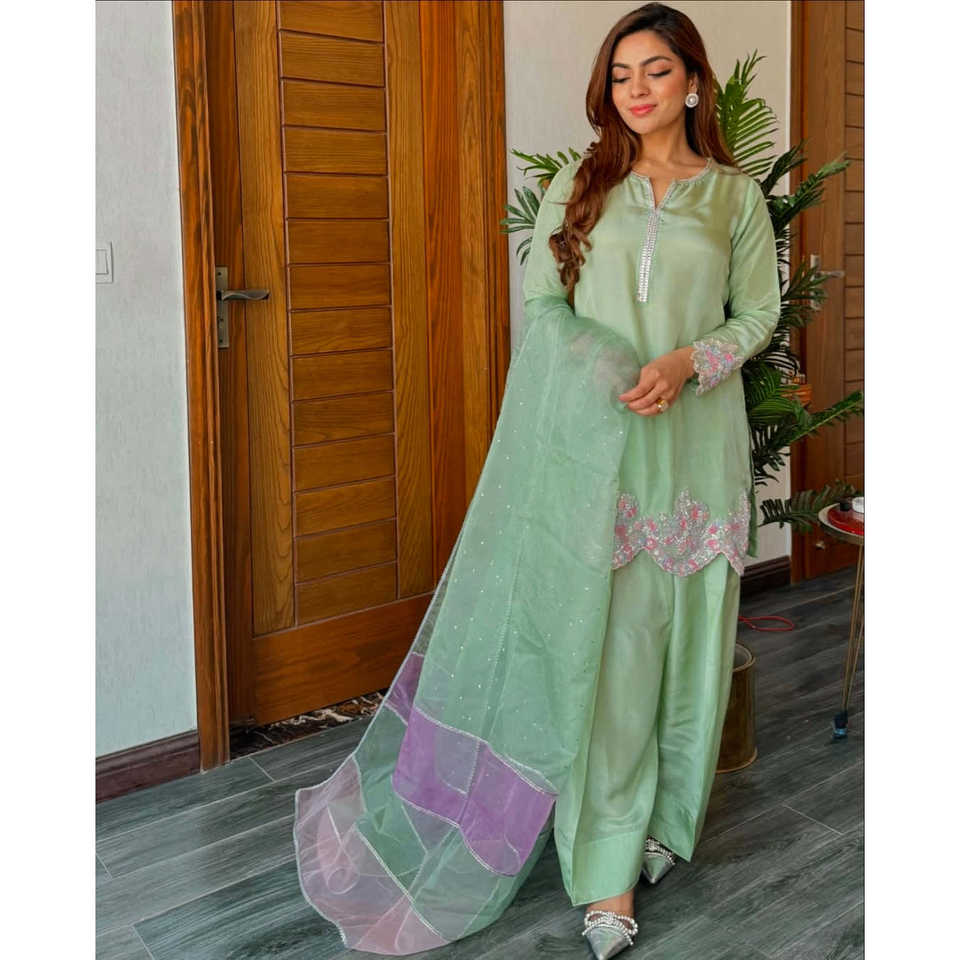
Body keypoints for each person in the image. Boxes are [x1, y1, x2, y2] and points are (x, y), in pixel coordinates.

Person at [292, 3, 781, 957]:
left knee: (691, 651)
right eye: (620, 75)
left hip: (699, 447)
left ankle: (661, 825)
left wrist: (690, 361)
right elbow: (545, 308)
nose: (636, 90)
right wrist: (612, 363)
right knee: (614, 666)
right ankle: (605, 871)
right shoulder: (580, 184)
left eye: (656, 71)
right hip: (599, 455)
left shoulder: (734, 198)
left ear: (693, 81)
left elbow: (758, 314)